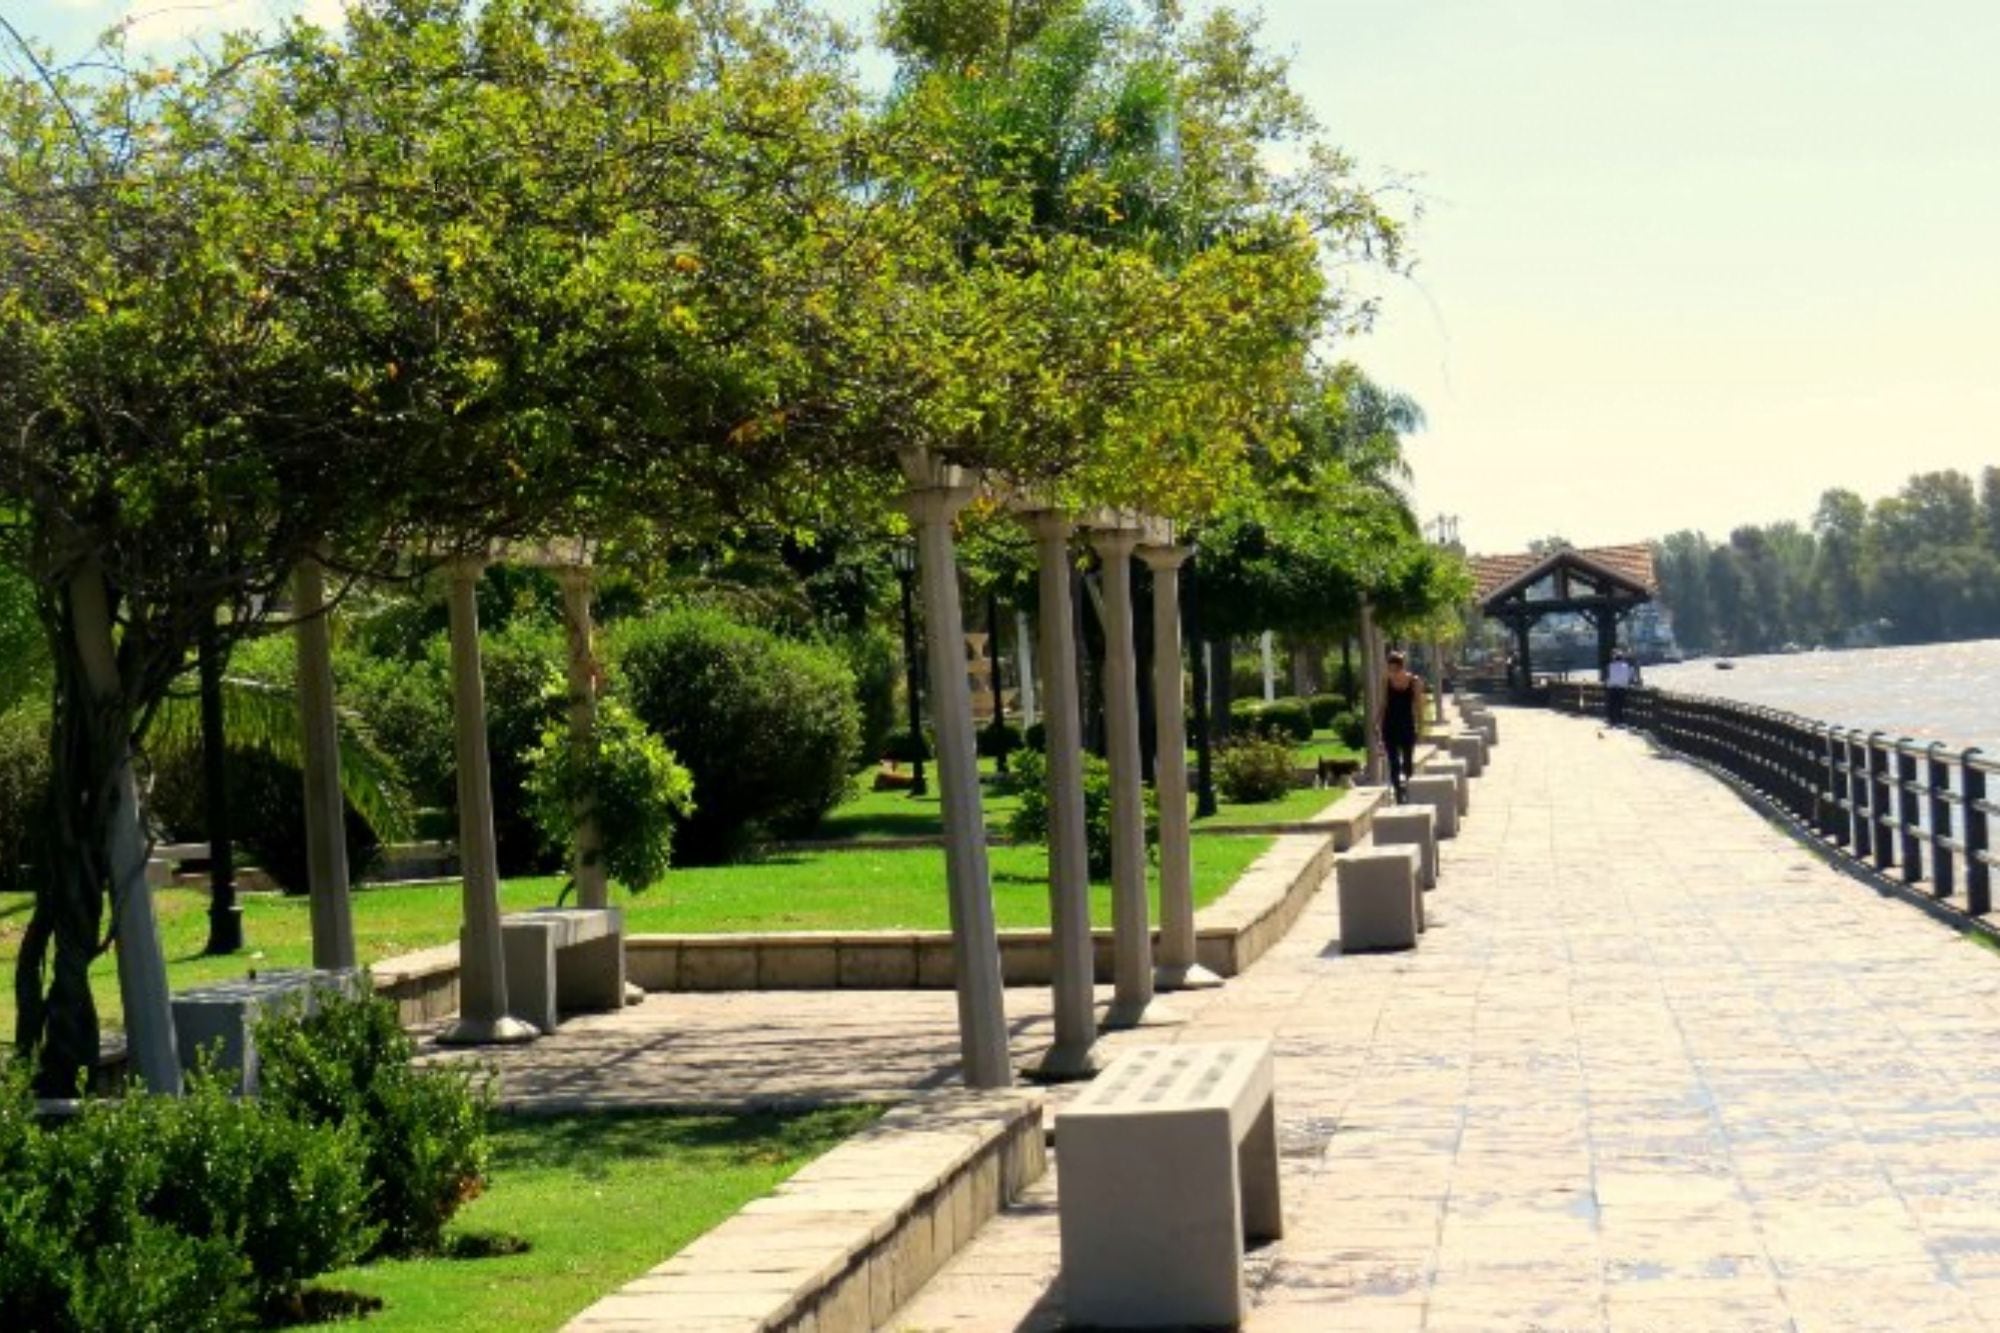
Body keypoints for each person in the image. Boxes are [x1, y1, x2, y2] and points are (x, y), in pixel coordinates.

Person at [1374, 649, 1426, 802]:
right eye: (1390, 669)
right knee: (1394, 762)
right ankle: (1398, 792)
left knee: (1408, 761)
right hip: (1390, 725)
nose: (1392, 672)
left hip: (1407, 724)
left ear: (1401, 667)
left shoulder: (1414, 681)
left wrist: (1420, 727)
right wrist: (1376, 721)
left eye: (1395, 669)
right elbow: (1384, 703)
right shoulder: (1386, 681)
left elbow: (1418, 706)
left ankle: (1409, 789)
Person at [1604, 647, 1636, 727]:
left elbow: (1606, 677)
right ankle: (1620, 721)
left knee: (1612, 705)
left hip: (1612, 688)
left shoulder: (1609, 666)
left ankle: (1612, 720)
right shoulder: (1627, 666)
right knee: (1620, 705)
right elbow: (1630, 678)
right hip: (1622, 688)